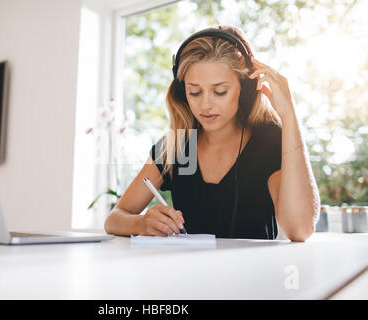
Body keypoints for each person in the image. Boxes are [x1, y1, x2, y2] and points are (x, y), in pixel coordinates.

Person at [104, 25, 320, 241]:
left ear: (245, 89)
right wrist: (141, 223)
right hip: (187, 272)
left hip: (253, 273)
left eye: (220, 91)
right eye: (194, 92)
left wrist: (289, 115)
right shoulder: (179, 147)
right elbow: (115, 218)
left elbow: (299, 229)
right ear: (182, 92)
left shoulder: (266, 141)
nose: (206, 105)